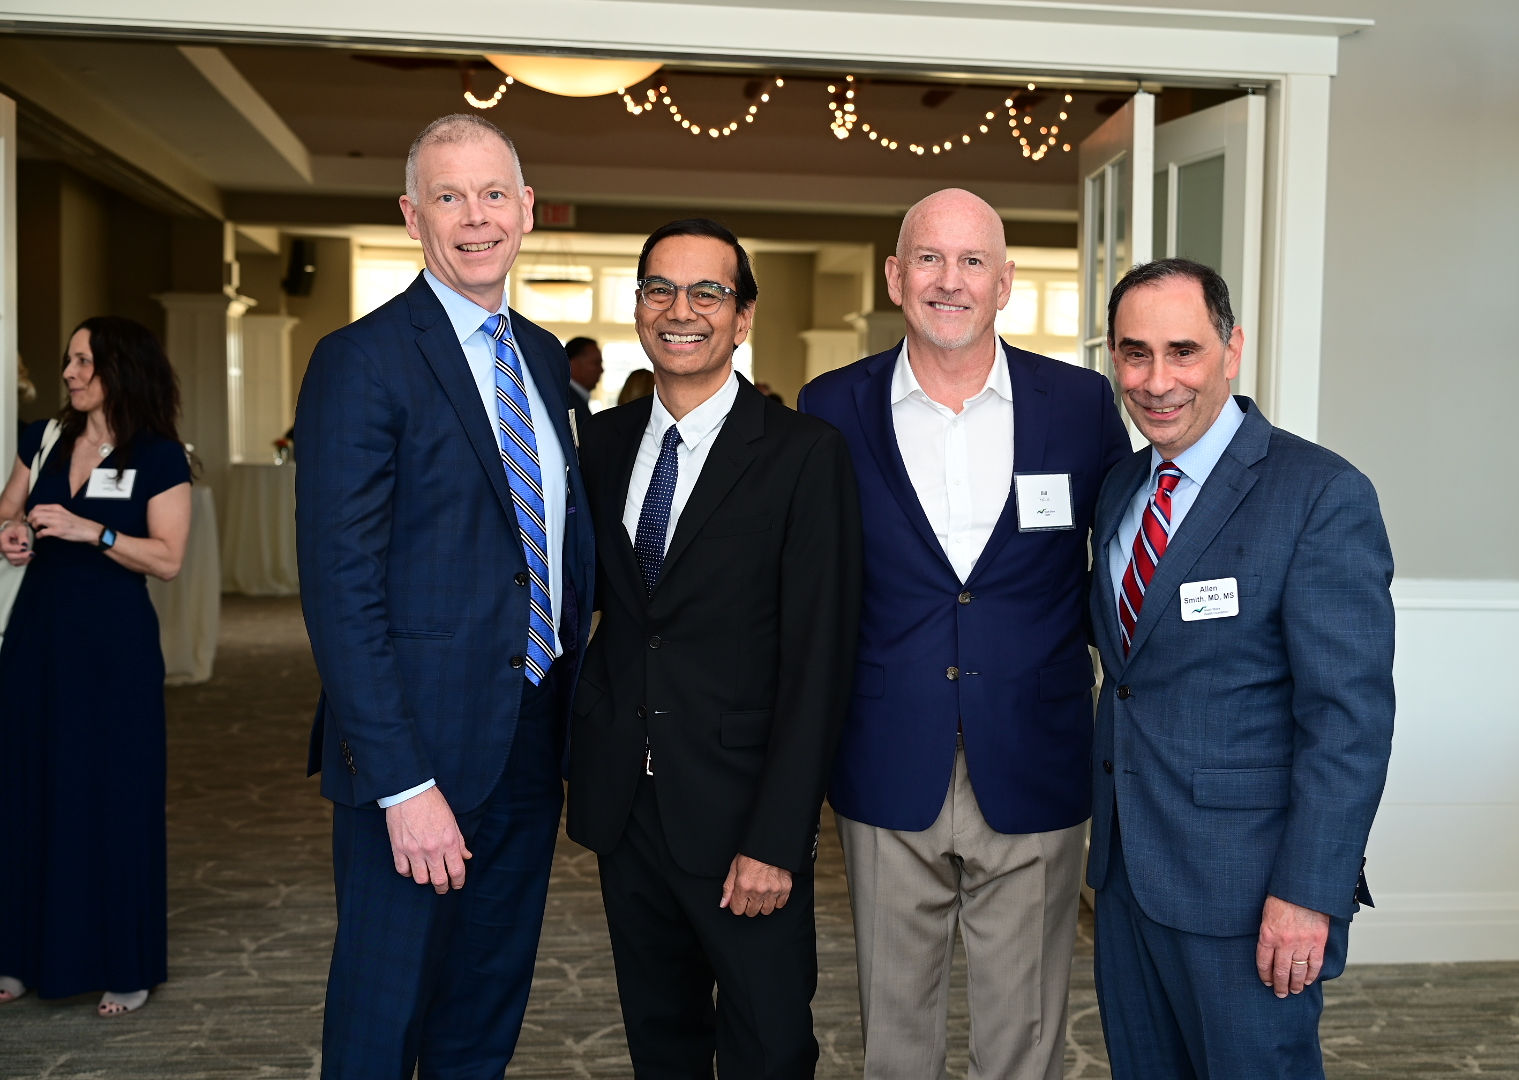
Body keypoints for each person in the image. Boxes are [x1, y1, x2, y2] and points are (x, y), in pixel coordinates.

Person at [798, 188, 1130, 1080]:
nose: (952, 281)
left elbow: (1129, 553)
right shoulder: (829, 406)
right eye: (931, 260)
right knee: (894, 1035)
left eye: (973, 261)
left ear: (1006, 282)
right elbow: (808, 582)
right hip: (884, 747)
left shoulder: (1080, 403)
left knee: (1024, 1037)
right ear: (897, 276)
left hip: (1034, 748)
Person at [294, 113, 594, 1079]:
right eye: (450, 197)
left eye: (495, 194)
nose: (477, 218)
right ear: (411, 216)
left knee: (484, 1009)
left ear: (529, 210)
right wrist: (402, 784)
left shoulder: (546, 362)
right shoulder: (363, 359)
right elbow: (341, 588)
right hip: (413, 760)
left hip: (528, 736)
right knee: (383, 1020)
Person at [566, 217, 861, 1079]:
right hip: (628, 806)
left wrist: (779, 836)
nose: (681, 309)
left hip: (743, 814)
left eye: (709, 292)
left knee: (769, 1044)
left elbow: (820, 661)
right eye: (660, 289)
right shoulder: (603, 445)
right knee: (660, 1040)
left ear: (743, 317)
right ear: (638, 309)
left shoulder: (805, 454)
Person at [1087, 257, 1394, 1079]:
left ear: (1232, 349)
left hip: (1250, 891)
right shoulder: (1120, 487)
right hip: (1127, 876)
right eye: (1134, 353)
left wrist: (1310, 891)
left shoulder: (1320, 494)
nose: (1157, 381)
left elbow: (1348, 723)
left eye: (1183, 351)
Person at [0, 316, 192, 1017]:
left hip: (114, 646)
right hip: (38, 637)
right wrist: (13, 533)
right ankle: (20, 954)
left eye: (85, 361)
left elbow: (168, 560)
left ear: (121, 367)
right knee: (30, 785)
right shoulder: (43, 438)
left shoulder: (160, 457)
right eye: (69, 361)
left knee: (114, 791)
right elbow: (6, 512)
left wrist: (97, 531)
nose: (71, 373)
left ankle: (125, 961)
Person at [566, 335, 603, 418]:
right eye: (596, 363)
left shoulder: (574, 398)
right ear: (573, 364)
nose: (601, 370)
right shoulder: (567, 401)